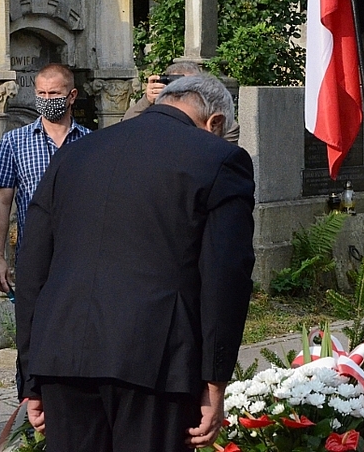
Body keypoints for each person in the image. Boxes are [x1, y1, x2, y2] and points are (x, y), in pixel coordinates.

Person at [16, 74, 256, 451]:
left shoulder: (75, 152)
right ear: (216, 122)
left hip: (63, 355)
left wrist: (32, 376)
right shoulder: (220, 158)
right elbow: (226, 277)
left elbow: (32, 265)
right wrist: (215, 382)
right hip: (156, 360)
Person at [0, 64, 90, 294]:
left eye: (54, 93)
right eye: (41, 93)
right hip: (33, 258)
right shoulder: (14, 142)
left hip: (81, 258)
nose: (47, 99)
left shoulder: (90, 142)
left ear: (72, 95)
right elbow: (1, 204)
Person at [124, 61, 240, 144]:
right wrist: (147, 100)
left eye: (192, 87)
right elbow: (126, 127)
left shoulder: (220, 122)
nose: (185, 94)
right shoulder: (155, 110)